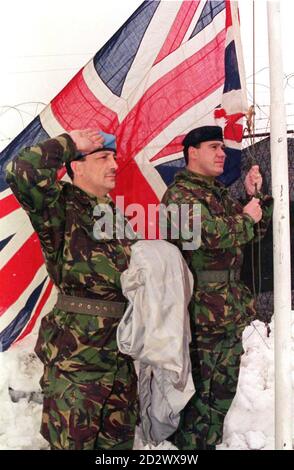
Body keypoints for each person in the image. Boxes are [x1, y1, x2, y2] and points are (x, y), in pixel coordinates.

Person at [6, 129, 139, 450]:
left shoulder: (114, 214)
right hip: (77, 360)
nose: (113, 164)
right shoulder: (59, 205)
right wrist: (70, 144)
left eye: (114, 157)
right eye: (103, 157)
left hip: (119, 357)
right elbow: (19, 170)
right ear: (76, 166)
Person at [161, 125, 273, 450]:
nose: (222, 153)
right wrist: (246, 218)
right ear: (192, 152)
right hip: (200, 314)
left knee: (220, 396)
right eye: (214, 147)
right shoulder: (180, 195)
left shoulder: (217, 194)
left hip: (225, 311)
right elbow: (207, 236)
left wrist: (254, 196)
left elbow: (253, 231)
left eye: (223, 147)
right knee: (200, 399)